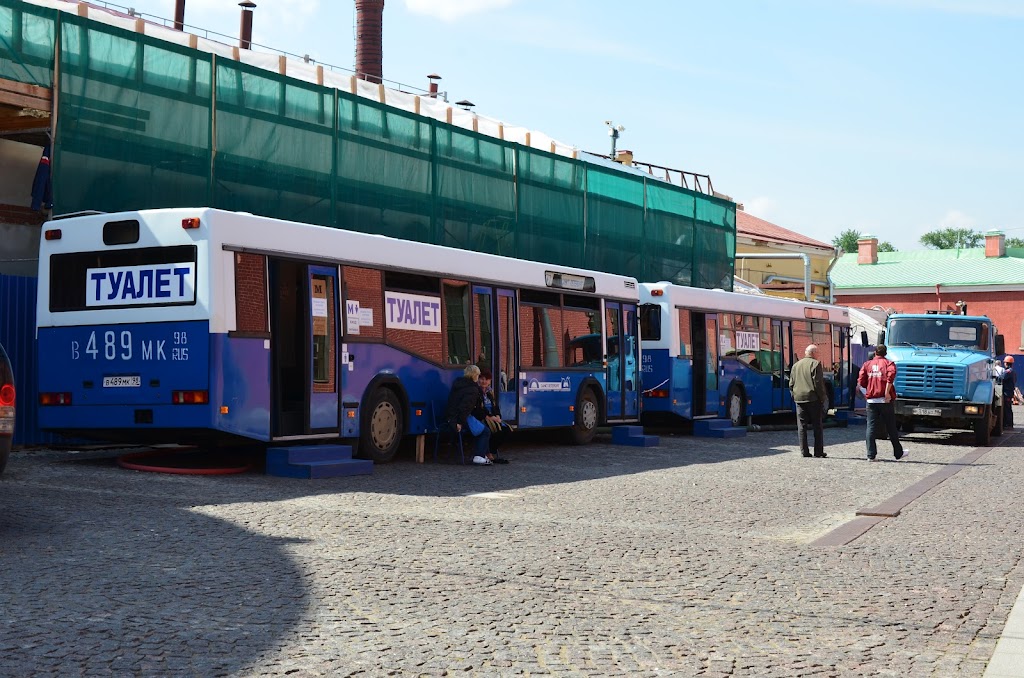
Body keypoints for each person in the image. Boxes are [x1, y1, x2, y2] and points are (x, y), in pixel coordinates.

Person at [858, 345, 906, 461]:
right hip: (885, 400)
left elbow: (861, 382)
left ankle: (871, 455)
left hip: (871, 400)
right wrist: (886, 393)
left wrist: (868, 391)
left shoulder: (867, 364)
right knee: (891, 427)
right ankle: (898, 453)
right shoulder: (889, 364)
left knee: (871, 427)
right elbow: (891, 377)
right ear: (885, 353)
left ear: (875, 352)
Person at [443, 364, 492, 465]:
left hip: (451, 416)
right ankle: (479, 456)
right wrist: (459, 423)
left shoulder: (458, 384)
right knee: (485, 431)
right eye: (478, 375)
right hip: (460, 418)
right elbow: (465, 408)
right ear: (475, 376)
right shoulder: (472, 390)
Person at [788, 344, 828, 458]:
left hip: (799, 399)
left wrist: (794, 395)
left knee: (802, 426)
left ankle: (804, 451)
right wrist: (823, 398)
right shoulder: (815, 364)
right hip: (813, 398)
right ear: (813, 353)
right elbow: (818, 384)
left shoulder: (796, 366)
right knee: (817, 426)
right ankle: (818, 451)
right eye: (818, 353)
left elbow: (791, 384)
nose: (818, 355)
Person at [473, 369, 511, 463]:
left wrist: (498, 415)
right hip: (482, 417)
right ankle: (487, 453)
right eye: (482, 379)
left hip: (492, 417)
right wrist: (489, 417)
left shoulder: (490, 392)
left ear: (490, 381)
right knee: (488, 430)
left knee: (506, 429)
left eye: (487, 379)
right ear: (478, 379)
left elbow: (495, 406)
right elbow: (477, 409)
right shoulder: (475, 392)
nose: (484, 381)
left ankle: (491, 450)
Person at [1002, 356, 1016, 429]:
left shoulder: (1008, 372)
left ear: (1006, 363)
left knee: (1006, 408)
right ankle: (1009, 423)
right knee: (1008, 408)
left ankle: (1008, 423)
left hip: (1007, 392)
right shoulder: (1013, 372)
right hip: (1009, 392)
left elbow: (1002, 378)